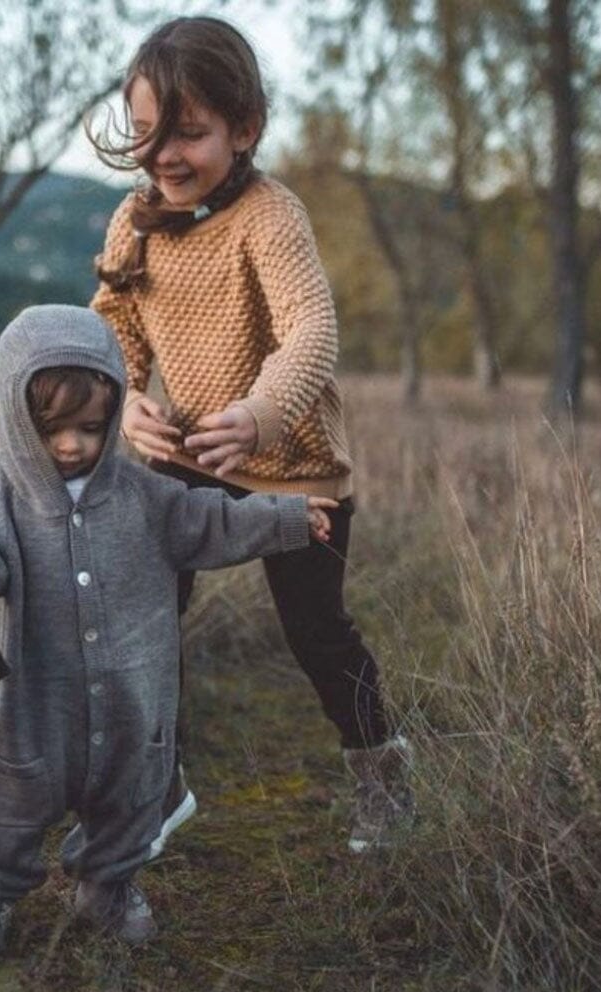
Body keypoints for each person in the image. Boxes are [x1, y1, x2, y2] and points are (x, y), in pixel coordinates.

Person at [88, 15, 416, 858]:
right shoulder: (132, 223)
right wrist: (123, 402)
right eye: (148, 132)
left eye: (189, 133)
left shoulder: (270, 216)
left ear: (245, 129)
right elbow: (111, 324)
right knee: (144, 613)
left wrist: (261, 413)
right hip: (188, 459)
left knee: (316, 631)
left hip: (292, 464)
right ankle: (155, 785)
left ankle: (383, 777)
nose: (165, 153)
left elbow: (311, 327)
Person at [0, 304, 337, 955]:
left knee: (128, 797)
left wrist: (286, 518)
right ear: (15, 419)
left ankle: (108, 884)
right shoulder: (1, 495)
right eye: (51, 429)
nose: (72, 445)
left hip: (133, 692)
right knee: (11, 800)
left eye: (91, 427)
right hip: (37, 698)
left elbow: (211, 521)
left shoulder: (140, 493)